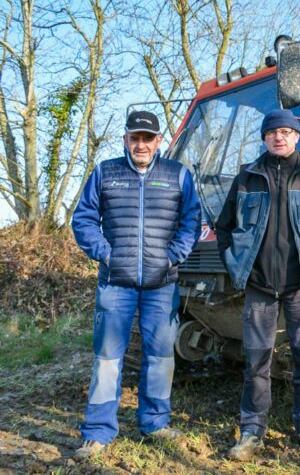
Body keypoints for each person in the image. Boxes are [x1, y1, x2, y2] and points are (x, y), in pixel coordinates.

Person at [215, 109, 300, 461]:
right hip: (259, 286)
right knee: (256, 361)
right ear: (264, 137)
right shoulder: (247, 177)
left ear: (296, 136)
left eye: (287, 131)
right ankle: (252, 431)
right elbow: (224, 226)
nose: (280, 137)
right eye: (273, 132)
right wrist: (235, 265)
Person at [71, 111, 202, 460]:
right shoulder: (105, 172)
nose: (140, 144)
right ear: (126, 140)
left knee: (160, 357)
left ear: (159, 140)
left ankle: (155, 423)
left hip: (162, 284)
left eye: (148, 138)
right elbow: (83, 219)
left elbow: (192, 221)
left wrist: (173, 257)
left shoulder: (178, 175)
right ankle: (98, 431)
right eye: (135, 137)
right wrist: (107, 255)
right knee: (107, 359)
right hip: (116, 283)